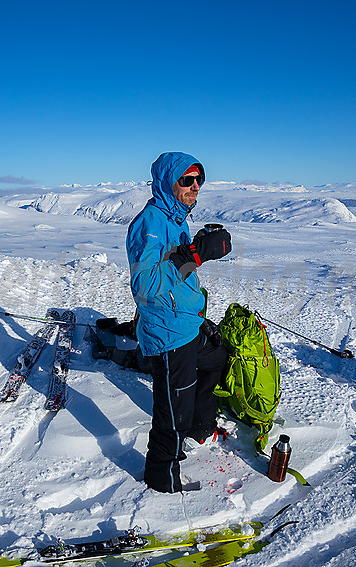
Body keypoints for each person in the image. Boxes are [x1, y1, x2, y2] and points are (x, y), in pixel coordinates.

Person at [126, 151, 232, 493]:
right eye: (187, 180)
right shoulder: (152, 223)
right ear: (168, 183)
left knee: (216, 357)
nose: (195, 187)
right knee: (172, 412)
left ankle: (200, 429)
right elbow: (146, 287)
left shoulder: (176, 218)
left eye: (198, 180)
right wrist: (196, 254)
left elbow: (179, 269)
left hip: (187, 321)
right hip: (168, 333)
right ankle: (162, 478)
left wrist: (196, 246)